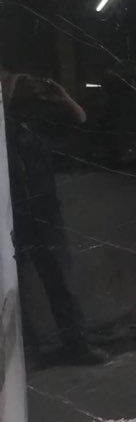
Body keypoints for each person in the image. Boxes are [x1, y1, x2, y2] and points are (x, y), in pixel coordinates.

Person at [2, 72, 107, 366]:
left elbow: (81, 120)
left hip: (44, 212)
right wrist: (10, 87)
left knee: (60, 281)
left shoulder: (39, 121)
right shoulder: (6, 124)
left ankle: (77, 345)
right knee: (14, 287)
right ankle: (28, 353)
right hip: (13, 216)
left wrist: (63, 97)